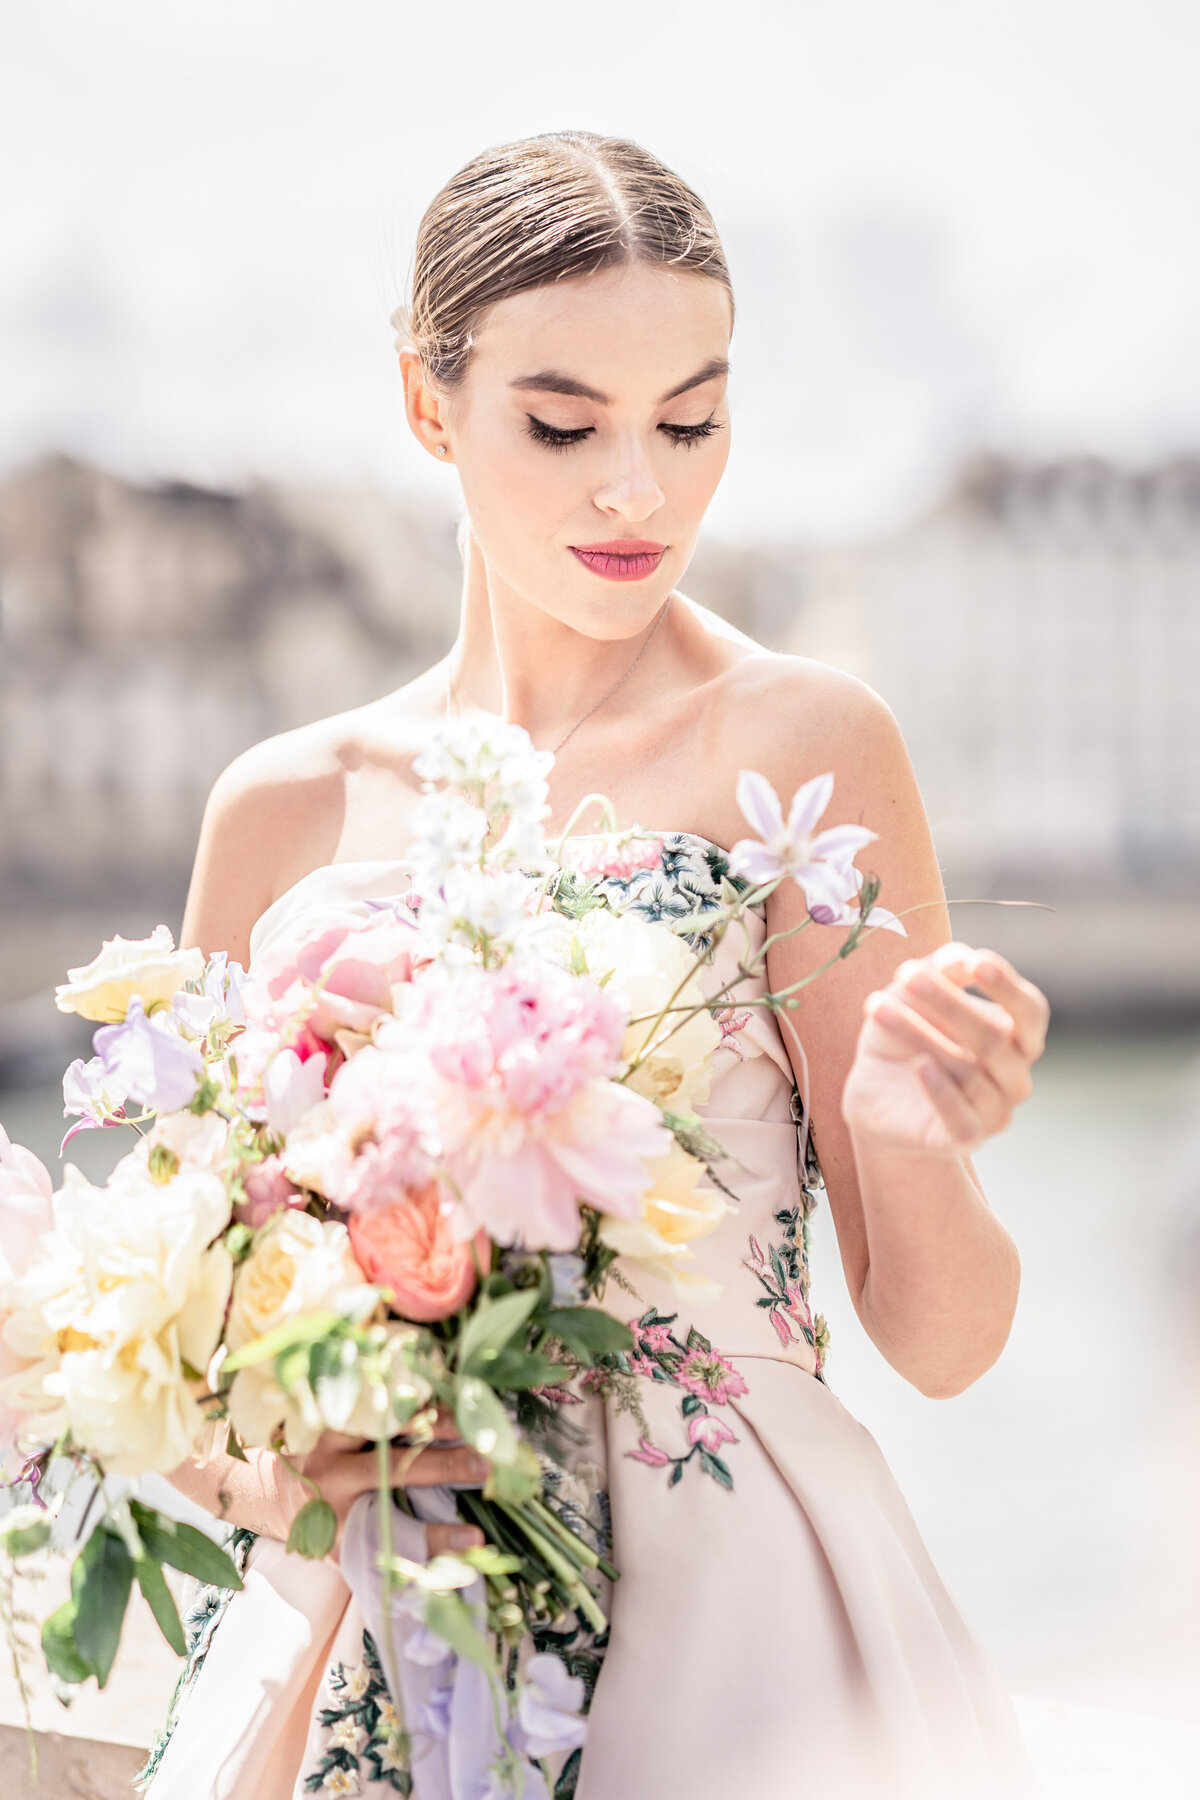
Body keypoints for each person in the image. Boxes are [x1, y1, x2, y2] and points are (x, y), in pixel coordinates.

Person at [143, 131, 1047, 1800]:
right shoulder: (279, 809)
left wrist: (918, 1139)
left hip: (746, 1638)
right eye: (564, 425)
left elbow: (943, 1338)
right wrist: (295, 1474)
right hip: (366, 1643)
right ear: (429, 404)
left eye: (691, 420)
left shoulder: (807, 746)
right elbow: (194, 1380)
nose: (640, 489)